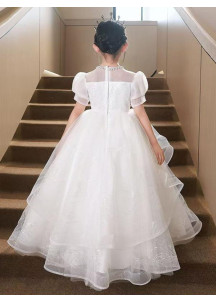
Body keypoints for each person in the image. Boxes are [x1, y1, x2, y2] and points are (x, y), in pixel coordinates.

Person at [7, 15, 202, 292]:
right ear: (125, 46)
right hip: (125, 135)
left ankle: (101, 255)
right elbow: (140, 113)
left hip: (94, 130)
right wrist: (154, 143)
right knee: (126, 191)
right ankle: (121, 252)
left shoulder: (86, 79)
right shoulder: (132, 79)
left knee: (94, 190)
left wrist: (64, 141)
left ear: (95, 48)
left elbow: (77, 111)